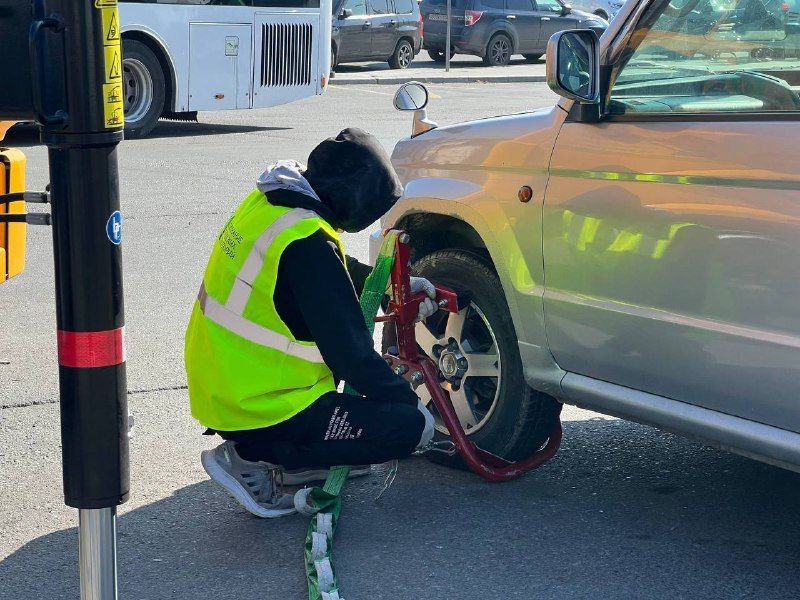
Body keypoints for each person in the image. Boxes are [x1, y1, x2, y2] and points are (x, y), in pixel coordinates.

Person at [185, 129, 436, 518]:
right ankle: (253, 463)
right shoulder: (306, 244)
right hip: (262, 411)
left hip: (227, 385)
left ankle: (306, 457)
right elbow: (351, 356)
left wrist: (386, 285)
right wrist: (411, 406)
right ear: (354, 199)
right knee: (405, 427)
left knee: (377, 418)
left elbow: (324, 273)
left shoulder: (274, 202)